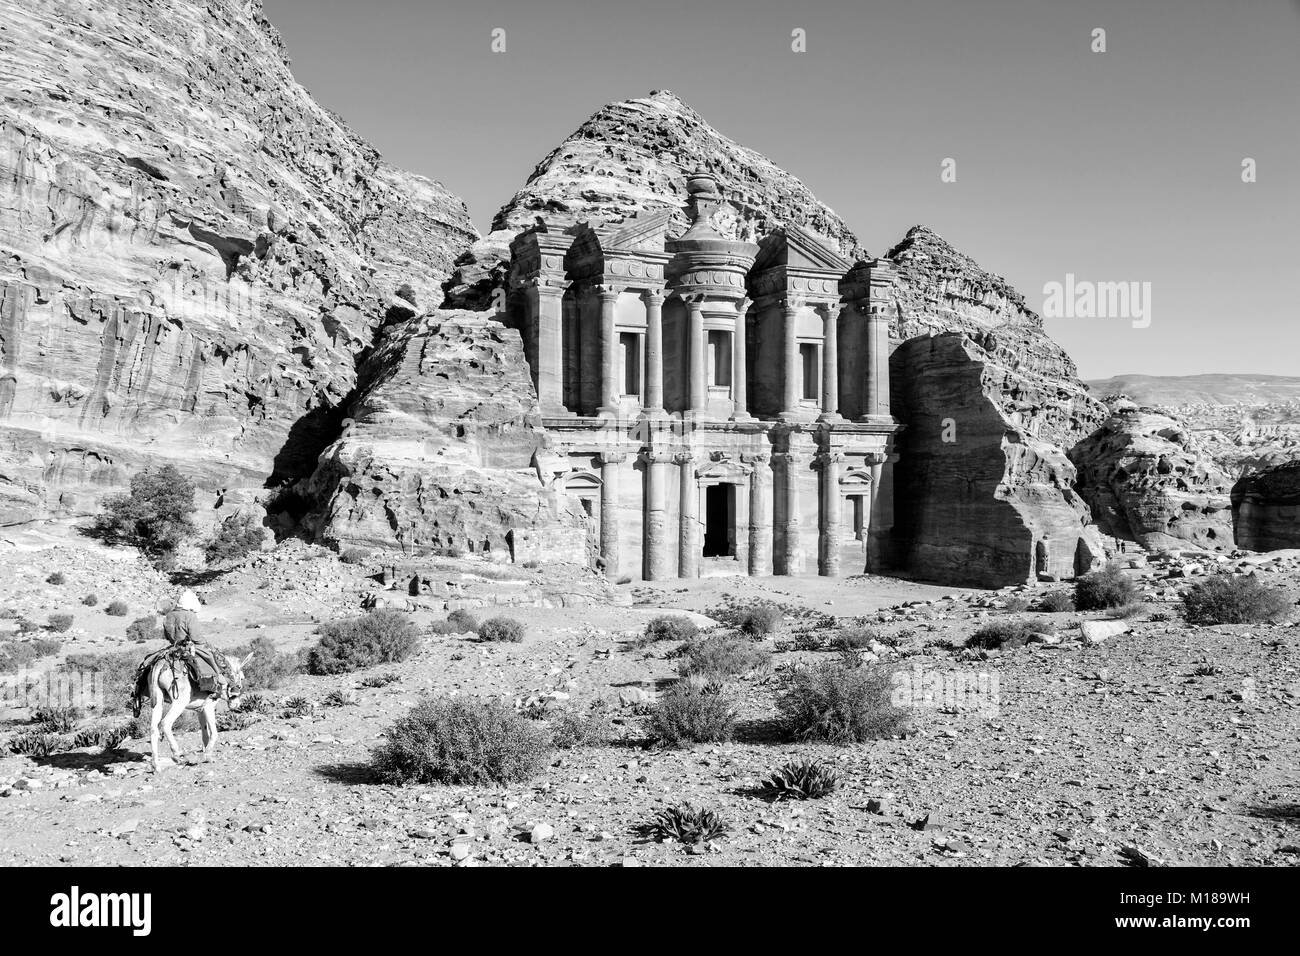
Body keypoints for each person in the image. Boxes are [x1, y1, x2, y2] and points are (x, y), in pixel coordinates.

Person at [162, 590, 228, 697]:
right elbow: (196, 637)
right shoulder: (189, 615)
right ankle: (219, 678)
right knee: (211, 655)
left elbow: (166, 635)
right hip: (188, 647)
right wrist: (204, 643)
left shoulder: (168, 616)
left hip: (173, 647)